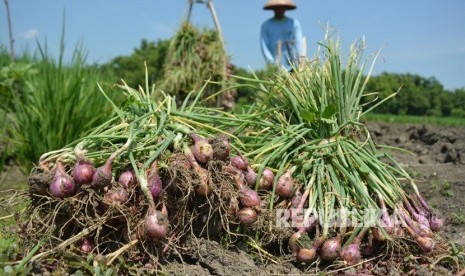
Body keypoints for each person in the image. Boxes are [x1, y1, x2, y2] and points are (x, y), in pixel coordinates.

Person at [260, 0, 303, 72]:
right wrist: (271, 63)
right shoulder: (266, 25)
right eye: (277, 7)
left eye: (282, 7)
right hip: (275, 65)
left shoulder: (294, 23)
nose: (279, 10)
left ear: (285, 8)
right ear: (273, 8)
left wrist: (300, 61)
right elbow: (264, 46)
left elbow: (299, 43)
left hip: (293, 64)